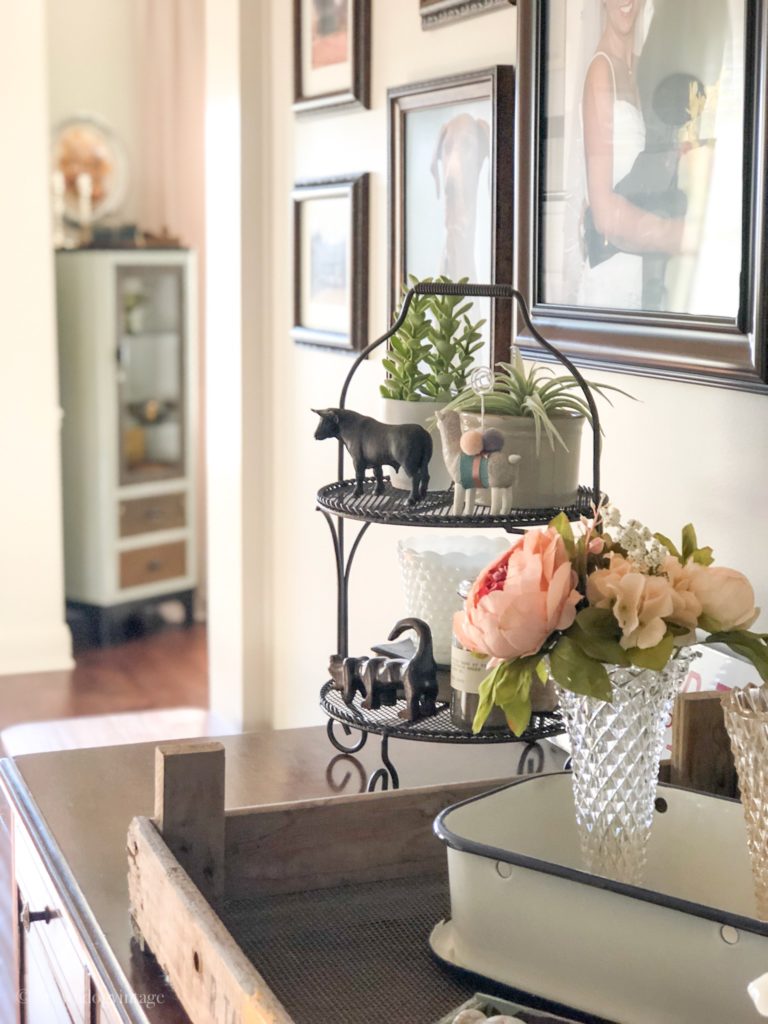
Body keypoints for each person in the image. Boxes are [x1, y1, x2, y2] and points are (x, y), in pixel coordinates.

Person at [579, 0, 684, 310]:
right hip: (615, 273)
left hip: (648, 268)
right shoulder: (601, 71)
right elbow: (603, 214)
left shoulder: (644, 68)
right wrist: (682, 239)